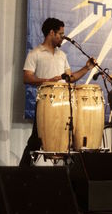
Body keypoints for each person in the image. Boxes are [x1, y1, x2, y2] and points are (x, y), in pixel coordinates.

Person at [20, 17, 95, 166]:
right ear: (51, 33)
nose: (63, 37)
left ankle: (69, 173)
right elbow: (27, 78)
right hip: (46, 103)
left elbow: (70, 78)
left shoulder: (62, 55)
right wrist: (49, 81)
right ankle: (21, 173)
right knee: (36, 139)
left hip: (65, 103)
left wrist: (87, 68)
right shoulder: (35, 53)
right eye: (61, 34)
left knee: (70, 137)